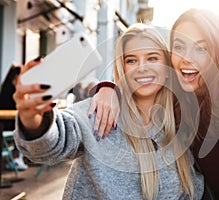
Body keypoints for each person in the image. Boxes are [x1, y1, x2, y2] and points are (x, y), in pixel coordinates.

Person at [88, 9, 219, 199]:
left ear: (218, 52)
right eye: (179, 47)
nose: (187, 59)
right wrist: (108, 88)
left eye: (201, 49)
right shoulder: (175, 100)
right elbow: (140, 84)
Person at [13, 23, 204, 199]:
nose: (142, 68)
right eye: (131, 60)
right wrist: (34, 120)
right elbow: (53, 143)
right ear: (122, 67)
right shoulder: (100, 110)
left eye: (152, 58)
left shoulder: (182, 118)